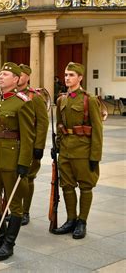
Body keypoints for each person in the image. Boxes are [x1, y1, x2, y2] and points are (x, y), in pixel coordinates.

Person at [0, 62, 35, 261]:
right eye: (0, 73)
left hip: (12, 159)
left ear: (16, 79)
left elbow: (28, 136)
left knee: (15, 205)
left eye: (6, 74)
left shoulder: (22, 102)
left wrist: (24, 163)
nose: (1, 77)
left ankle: (8, 244)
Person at [52, 62, 103, 239]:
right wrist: (57, 146)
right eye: (66, 75)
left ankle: (82, 221)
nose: (67, 78)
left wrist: (95, 155)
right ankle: (70, 219)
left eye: (71, 75)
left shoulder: (89, 99)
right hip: (65, 150)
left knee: (85, 187)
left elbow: (97, 129)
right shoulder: (61, 99)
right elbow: (60, 125)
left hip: (83, 150)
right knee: (66, 186)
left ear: (80, 78)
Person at [18, 64, 49, 225]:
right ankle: (15, 210)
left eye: (22, 75)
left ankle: (25, 211)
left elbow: (43, 123)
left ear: (28, 77)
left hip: (29, 144)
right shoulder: (9, 95)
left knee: (28, 178)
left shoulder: (35, 97)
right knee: (13, 178)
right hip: (13, 144)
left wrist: (39, 147)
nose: (19, 77)